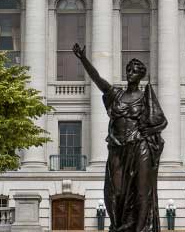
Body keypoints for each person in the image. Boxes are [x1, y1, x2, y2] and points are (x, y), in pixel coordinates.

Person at [73, 44, 167, 232]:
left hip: (140, 146)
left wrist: (148, 131)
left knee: (142, 192)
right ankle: (118, 227)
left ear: (141, 75)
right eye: (128, 70)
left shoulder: (145, 98)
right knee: (114, 192)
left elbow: (161, 121)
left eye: (134, 71)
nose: (130, 73)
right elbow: (98, 79)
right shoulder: (116, 94)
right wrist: (83, 59)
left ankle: (140, 229)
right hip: (118, 148)